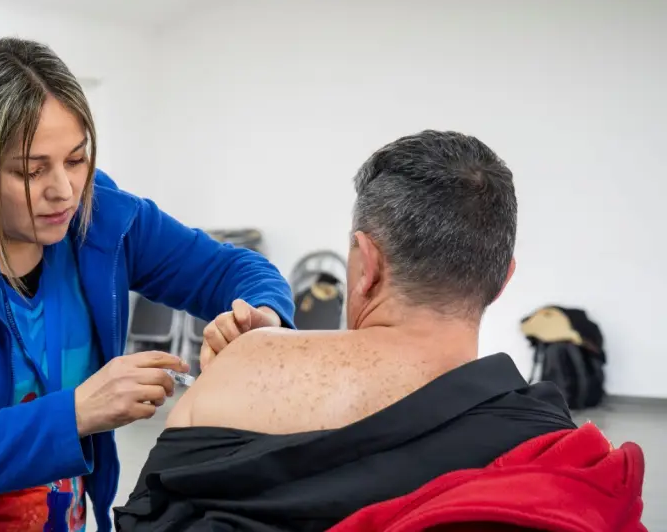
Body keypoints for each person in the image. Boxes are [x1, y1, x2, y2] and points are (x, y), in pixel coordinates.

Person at [0, 37, 295, 532]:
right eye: (29, 170)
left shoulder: (101, 214)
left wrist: (262, 319)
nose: (63, 190)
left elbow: (234, 270)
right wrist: (79, 412)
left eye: (76, 158)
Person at [115, 130, 646, 531]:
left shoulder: (232, 372)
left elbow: (149, 513)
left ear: (367, 263)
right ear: (502, 280)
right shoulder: (552, 447)